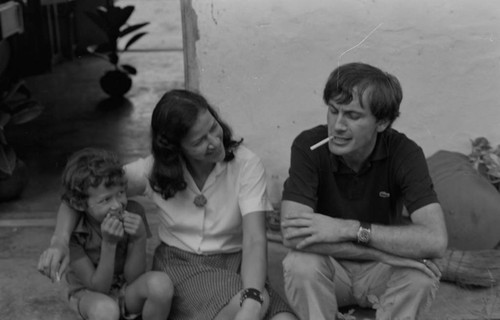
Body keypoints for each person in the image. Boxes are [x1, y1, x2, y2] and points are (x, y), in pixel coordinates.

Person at [38, 89, 297, 320]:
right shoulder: (154, 170)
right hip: (182, 265)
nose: (214, 142)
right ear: (175, 148)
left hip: (238, 262)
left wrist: (253, 296)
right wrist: (59, 242)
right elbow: (81, 194)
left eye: (213, 127)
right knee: (238, 310)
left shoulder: (245, 164)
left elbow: (254, 239)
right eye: (198, 141)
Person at [280, 62, 448, 320]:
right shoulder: (309, 146)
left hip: (382, 273)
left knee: (419, 277)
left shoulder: (405, 152)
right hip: (333, 269)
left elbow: (435, 239)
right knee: (299, 263)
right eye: (333, 111)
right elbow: (292, 235)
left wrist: (347, 229)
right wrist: (380, 251)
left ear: (382, 122)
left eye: (353, 116)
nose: (337, 126)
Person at [46, 147, 173, 320]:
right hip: (89, 294)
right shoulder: (76, 233)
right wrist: (109, 244)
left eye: (121, 193)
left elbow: (134, 277)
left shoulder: (134, 212)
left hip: (125, 287)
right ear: (80, 205)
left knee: (161, 285)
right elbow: (99, 288)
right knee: (106, 311)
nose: (117, 205)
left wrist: (139, 238)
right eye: (105, 199)